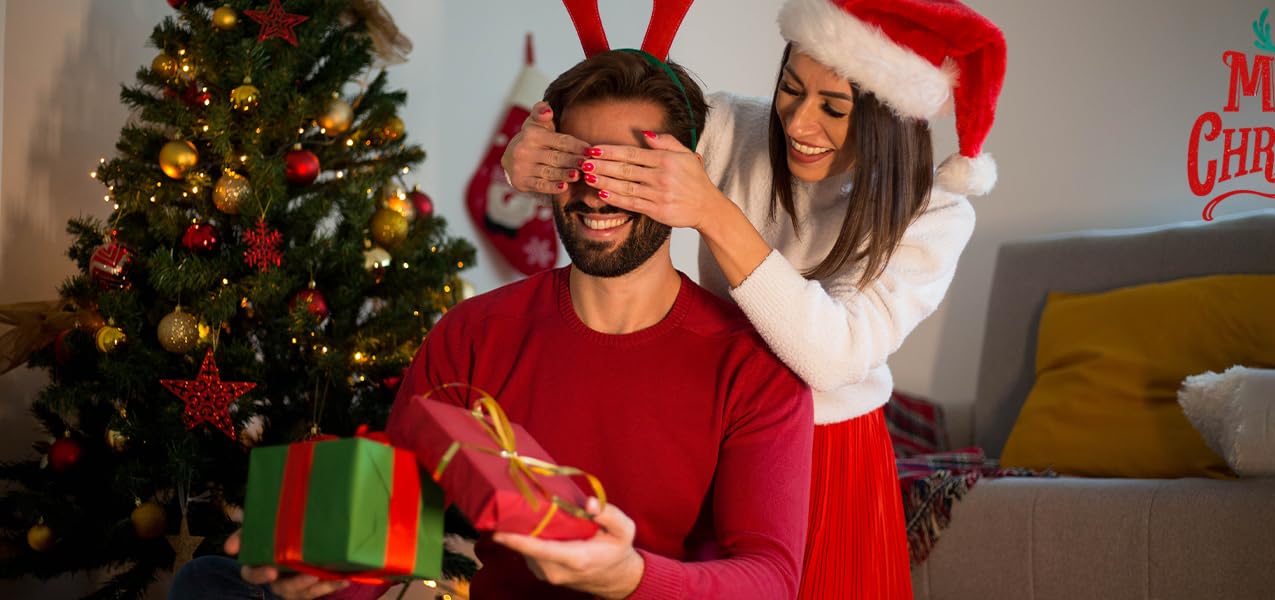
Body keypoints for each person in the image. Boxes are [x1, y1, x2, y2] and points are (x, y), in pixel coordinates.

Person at [171, 50, 813, 600]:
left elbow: (771, 578)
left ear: (682, 184)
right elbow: (396, 519)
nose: (595, 193)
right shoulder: (476, 333)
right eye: (578, 165)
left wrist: (629, 578)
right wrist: (330, 571)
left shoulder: (753, 365)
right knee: (209, 581)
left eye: (629, 172)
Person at [503, 0, 1007, 597]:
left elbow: (836, 356)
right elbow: (615, 133)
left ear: (889, 117)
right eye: (790, 90)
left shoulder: (935, 214)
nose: (797, 124)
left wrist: (715, 214)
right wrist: (525, 160)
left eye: (834, 108)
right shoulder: (731, 131)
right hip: (718, 435)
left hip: (830, 457)